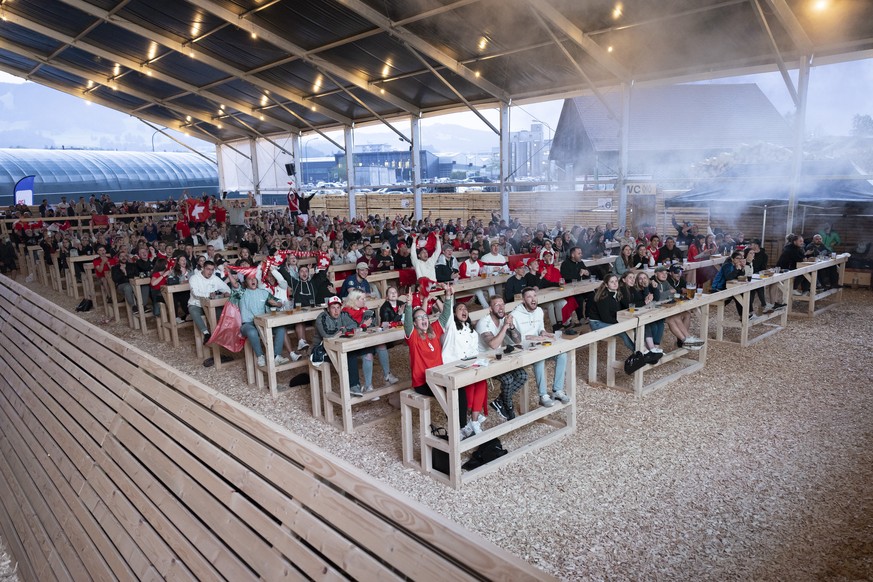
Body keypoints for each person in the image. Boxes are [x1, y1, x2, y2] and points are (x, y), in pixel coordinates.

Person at [404, 285, 468, 432]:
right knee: (450, 393)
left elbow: (445, 315)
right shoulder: (413, 337)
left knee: (460, 388)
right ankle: (456, 429)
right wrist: (408, 306)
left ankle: (462, 426)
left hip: (439, 376)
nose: (423, 319)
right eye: (419, 318)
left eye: (425, 316)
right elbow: (407, 324)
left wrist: (447, 297)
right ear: (415, 323)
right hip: (423, 382)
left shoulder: (433, 330)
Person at [510, 287, 569, 408]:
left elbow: (540, 328)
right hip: (523, 348)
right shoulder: (515, 314)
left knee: (562, 354)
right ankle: (543, 395)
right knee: (540, 358)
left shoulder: (539, 311)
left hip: (538, 344)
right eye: (529, 297)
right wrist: (531, 337)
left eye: (534, 296)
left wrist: (543, 332)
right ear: (523, 300)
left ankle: (557, 390)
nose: (533, 299)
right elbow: (514, 339)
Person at [441, 300, 489, 438]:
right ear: (455, 314)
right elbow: (447, 312)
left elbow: (474, 351)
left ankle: (474, 421)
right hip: (452, 367)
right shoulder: (451, 328)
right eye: (460, 309)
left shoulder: (471, 331)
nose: (464, 311)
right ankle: (466, 421)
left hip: (469, 364)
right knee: (467, 385)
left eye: (466, 309)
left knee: (481, 381)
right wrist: (448, 296)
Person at [476, 295, 526, 421]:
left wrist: (512, 326)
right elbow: (493, 345)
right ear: (490, 309)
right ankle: (508, 405)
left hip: (500, 358)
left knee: (523, 376)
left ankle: (499, 400)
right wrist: (505, 327)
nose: (501, 308)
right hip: (484, 361)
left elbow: (518, 340)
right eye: (496, 305)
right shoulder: (484, 322)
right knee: (508, 379)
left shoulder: (504, 319)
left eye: (502, 305)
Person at [227, 273, 292, 367]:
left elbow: (278, 302)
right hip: (248, 324)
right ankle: (260, 356)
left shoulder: (263, 292)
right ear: (245, 282)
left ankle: (276, 356)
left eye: (254, 279)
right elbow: (235, 284)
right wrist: (228, 272)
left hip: (263, 323)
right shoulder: (242, 292)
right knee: (252, 332)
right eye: (250, 279)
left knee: (281, 329)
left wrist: (277, 304)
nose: (253, 280)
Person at [341, 290, 398, 395]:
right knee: (368, 355)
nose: (364, 301)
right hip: (354, 343)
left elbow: (373, 324)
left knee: (381, 345)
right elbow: (350, 329)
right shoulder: (346, 312)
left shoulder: (365, 310)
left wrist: (368, 326)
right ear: (355, 300)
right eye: (362, 299)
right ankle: (368, 386)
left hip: (367, 340)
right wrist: (364, 326)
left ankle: (387, 375)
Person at [651, 266, 704, 349]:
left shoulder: (665, 282)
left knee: (687, 314)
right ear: (655, 274)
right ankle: (686, 340)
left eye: (665, 273)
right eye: (661, 273)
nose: (664, 275)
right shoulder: (653, 282)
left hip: (665, 308)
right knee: (674, 318)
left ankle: (684, 340)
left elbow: (674, 292)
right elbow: (659, 297)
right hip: (655, 311)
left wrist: (667, 293)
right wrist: (668, 292)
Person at [588, 274, 635, 351]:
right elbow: (606, 318)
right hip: (597, 323)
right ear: (606, 285)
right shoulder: (603, 297)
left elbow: (626, 306)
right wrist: (621, 322)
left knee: (633, 326)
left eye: (616, 281)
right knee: (623, 331)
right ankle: (637, 352)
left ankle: (644, 349)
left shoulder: (616, 293)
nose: (615, 284)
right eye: (612, 282)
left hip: (610, 319)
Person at [187, 260, 231, 340]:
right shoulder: (194, 278)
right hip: (197, 304)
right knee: (193, 310)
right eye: (208, 269)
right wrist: (209, 294)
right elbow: (195, 293)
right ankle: (206, 333)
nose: (210, 272)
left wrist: (226, 292)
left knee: (221, 313)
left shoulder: (215, 278)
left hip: (211, 305)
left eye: (212, 270)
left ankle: (222, 335)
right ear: (203, 268)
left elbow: (227, 289)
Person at [711, 251, 746, 316]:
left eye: (741, 258)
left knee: (742, 293)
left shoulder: (735, 265)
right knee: (737, 294)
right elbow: (729, 277)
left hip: (726, 287)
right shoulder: (727, 265)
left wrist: (742, 268)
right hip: (718, 288)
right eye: (737, 258)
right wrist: (736, 269)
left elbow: (740, 277)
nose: (739, 260)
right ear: (732, 259)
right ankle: (744, 315)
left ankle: (745, 314)